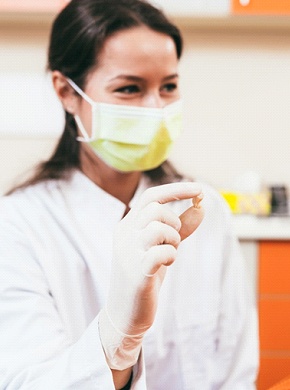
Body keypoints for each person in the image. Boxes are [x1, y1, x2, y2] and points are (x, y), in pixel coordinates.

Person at [0, 0, 258, 388]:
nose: (156, 109)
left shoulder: (206, 211)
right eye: (129, 88)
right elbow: (29, 380)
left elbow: (236, 372)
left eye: (168, 86)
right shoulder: (18, 226)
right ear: (66, 92)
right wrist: (120, 336)